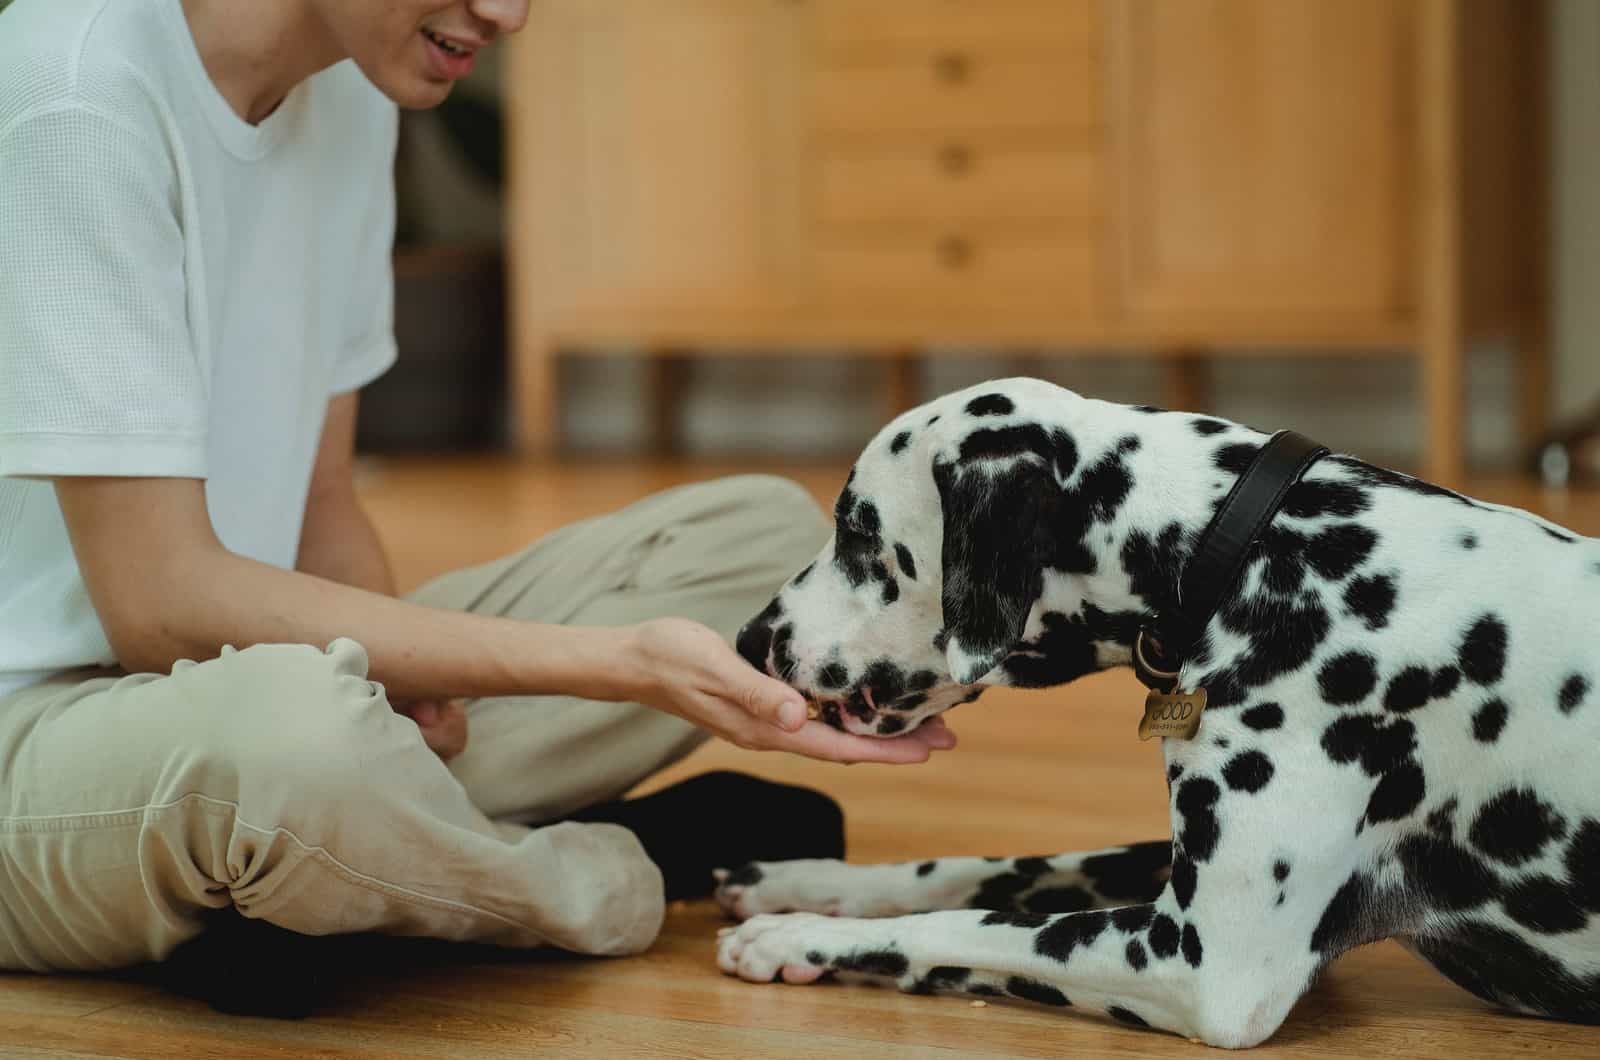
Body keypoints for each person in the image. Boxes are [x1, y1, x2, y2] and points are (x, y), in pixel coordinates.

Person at [0, 0, 958, 1000]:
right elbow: (159, 604)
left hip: (244, 678)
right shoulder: (74, 92)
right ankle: (596, 874)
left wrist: (402, 695)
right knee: (298, 744)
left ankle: (349, 874)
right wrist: (620, 666)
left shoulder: (351, 87)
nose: (507, 12)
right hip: (40, 742)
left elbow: (323, 502)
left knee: (758, 541)